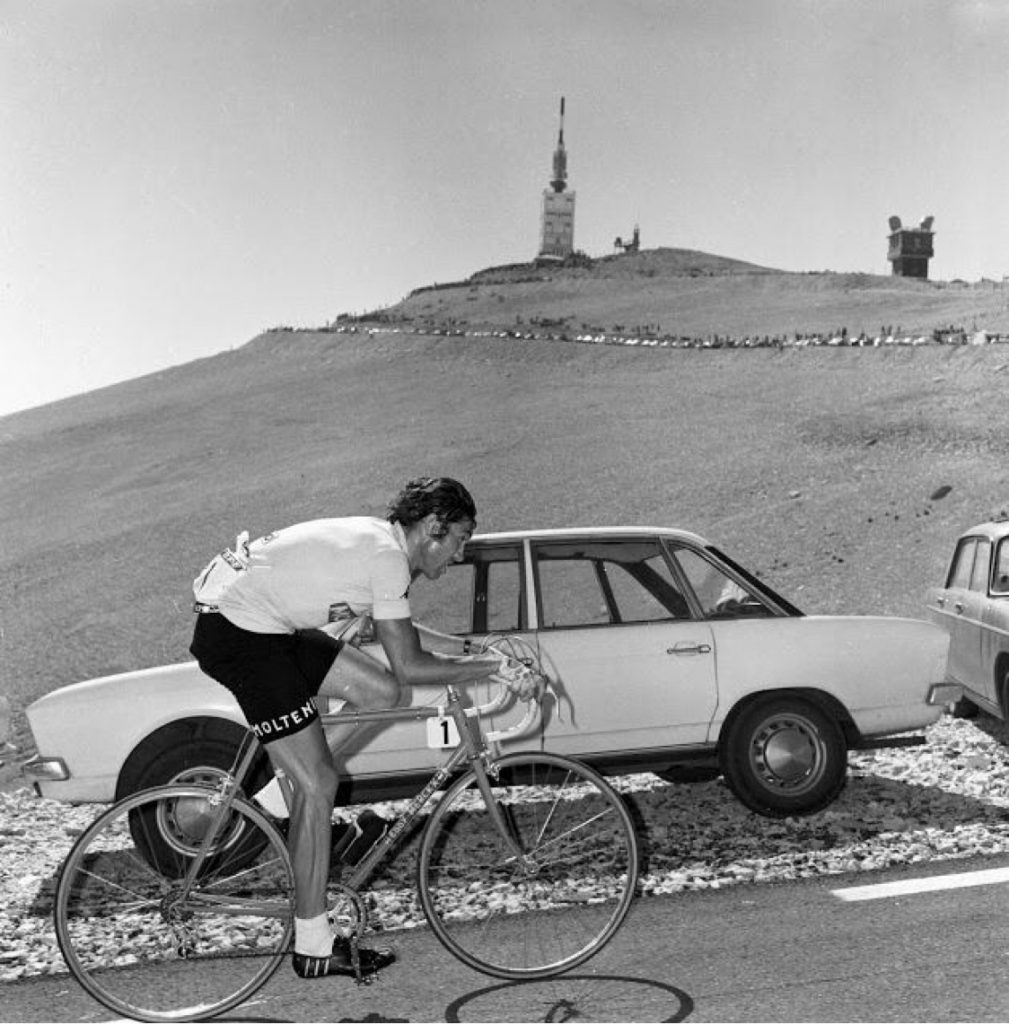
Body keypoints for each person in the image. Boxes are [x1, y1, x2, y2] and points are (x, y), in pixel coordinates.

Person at [189, 477, 540, 980]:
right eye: (460, 539)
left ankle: (280, 799)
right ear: (433, 528)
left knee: (380, 693)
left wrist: (475, 655)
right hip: (242, 636)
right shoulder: (387, 559)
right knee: (320, 785)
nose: (460, 554)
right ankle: (313, 945)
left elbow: (402, 651)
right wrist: (493, 668)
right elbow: (412, 666)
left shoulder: (382, 547)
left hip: (266, 626)